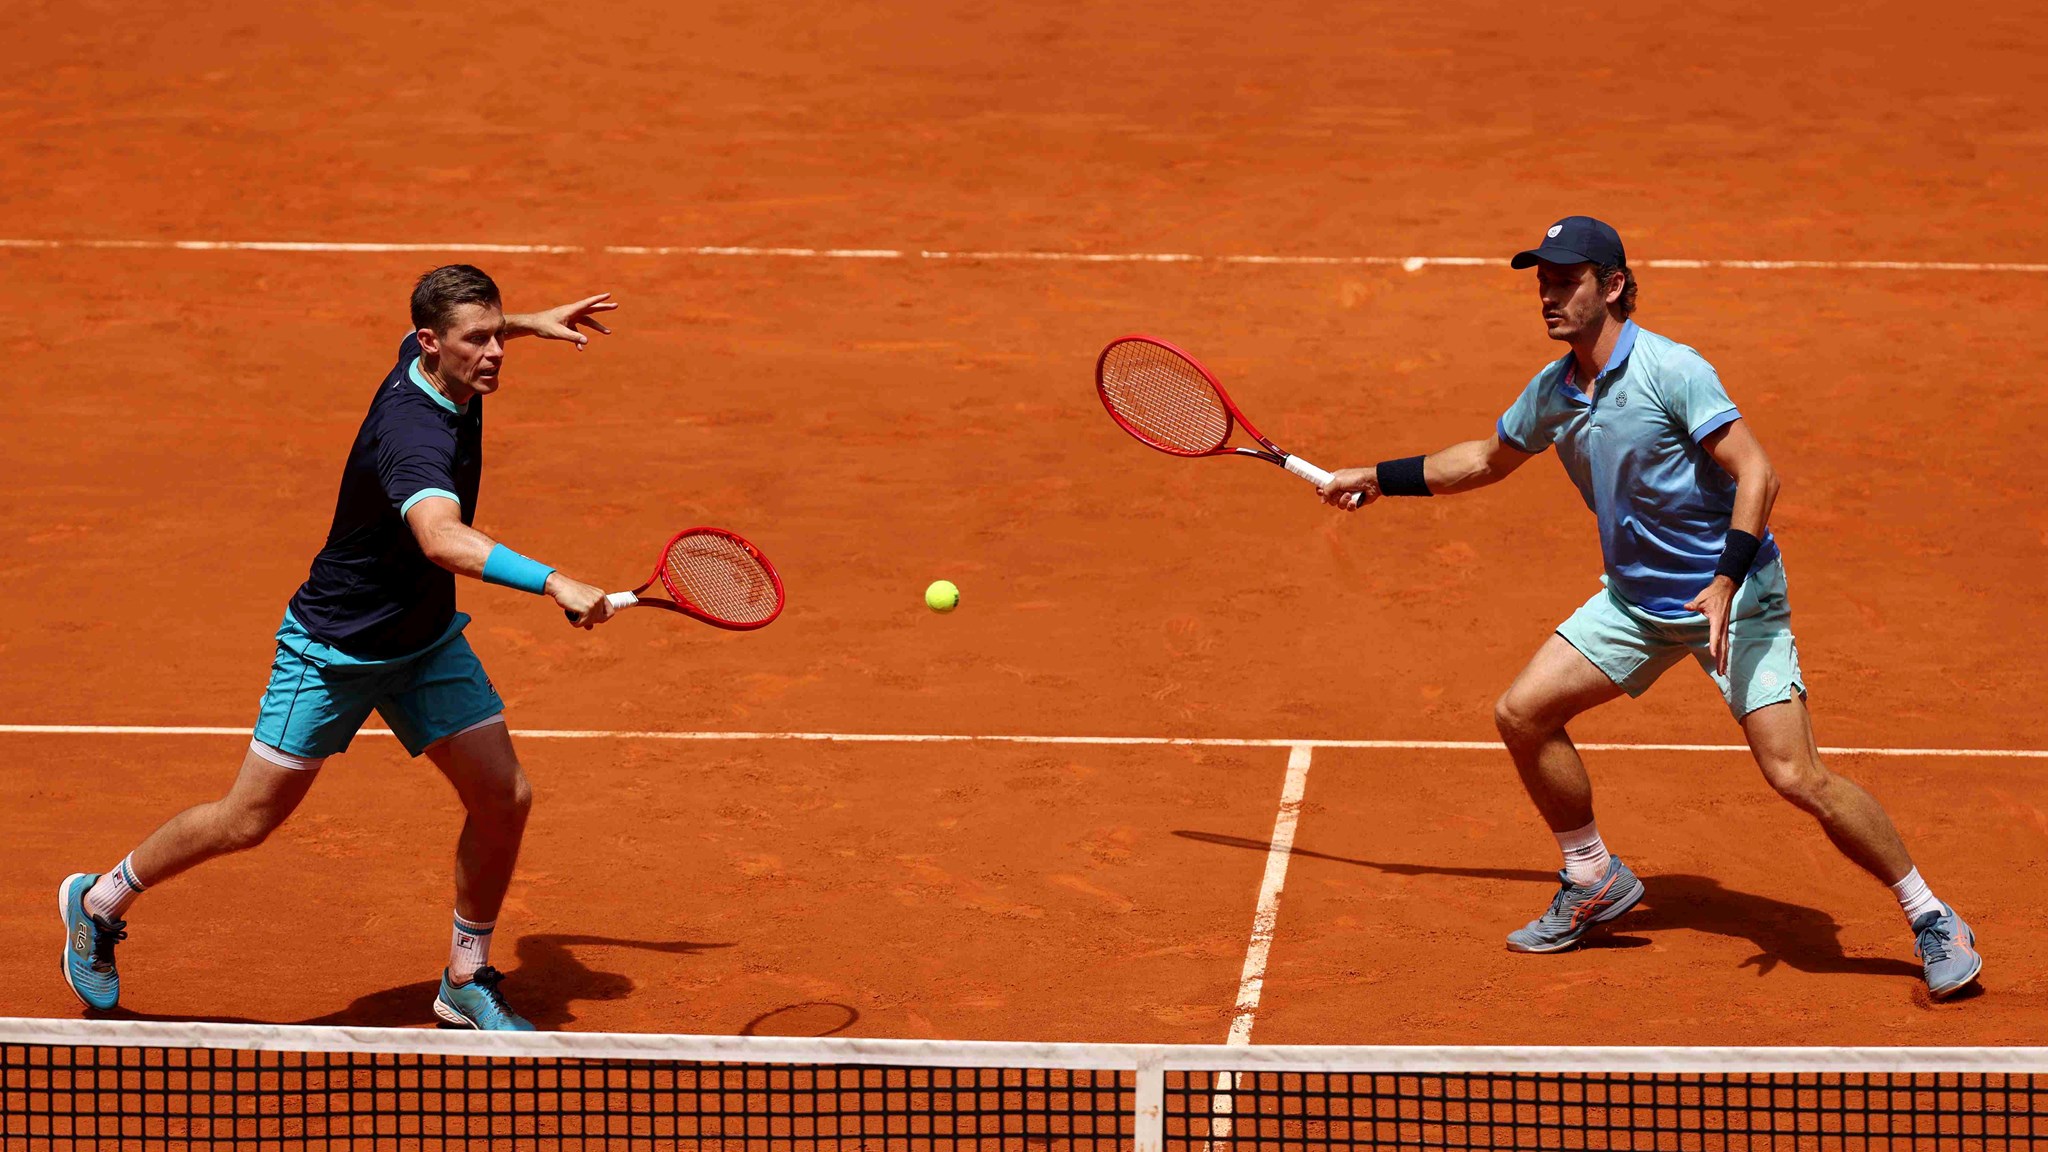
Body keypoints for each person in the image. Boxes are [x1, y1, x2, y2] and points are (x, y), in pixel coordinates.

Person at [1317, 217, 1982, 999]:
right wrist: (1374, 474)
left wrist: (1728, 578)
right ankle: (1593, 875)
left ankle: (1932, 914)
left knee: (1797, 775)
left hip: (1735, 603)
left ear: (1614, 285)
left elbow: (1758, 474)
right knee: (1522, 713)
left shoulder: (1673, 370)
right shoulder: (1555, 391)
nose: (1549, 296)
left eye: (1567, 281)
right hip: (1636, 605)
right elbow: (1484, 460)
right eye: (1543, 282)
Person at [61, 266, 624, 1028]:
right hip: (333, 649)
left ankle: (465, 975)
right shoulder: (413, 432)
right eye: (478, 340)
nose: (495, 353)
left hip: (423, 641)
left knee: (503, 796)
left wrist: (528, 320)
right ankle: (99, 902)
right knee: (246, 820)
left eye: (498, 335)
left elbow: (461, 334)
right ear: (433, 344)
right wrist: (554, 581)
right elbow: (440, 538)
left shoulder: (430, 361)